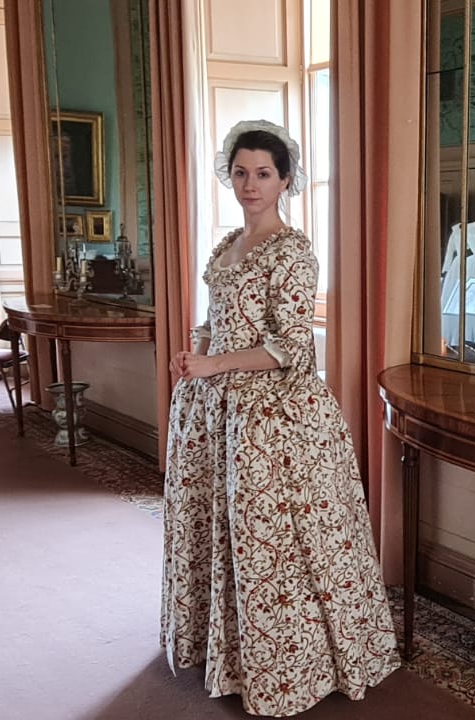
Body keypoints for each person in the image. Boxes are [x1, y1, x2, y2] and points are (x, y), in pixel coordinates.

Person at [163, 119, 399, 717]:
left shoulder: (292, 253)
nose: (249, 184)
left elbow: (293, 347)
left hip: (275, 417)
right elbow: (218, 319)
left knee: (277, 538)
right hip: (216, 406)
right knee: (225, 528)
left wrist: (213, 363)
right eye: (240, 172)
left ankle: (295, 666)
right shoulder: (227, 246)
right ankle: (229, 651)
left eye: (262, 174)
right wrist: (198, 353)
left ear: (285, 180)